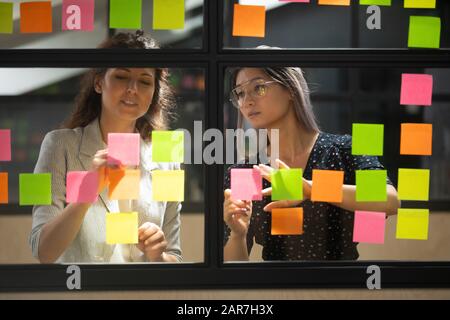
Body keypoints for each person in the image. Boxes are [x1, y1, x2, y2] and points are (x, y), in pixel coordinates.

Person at [29, 31, 182, 263]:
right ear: (99, 82)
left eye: (144, 81)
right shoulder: (59, 145)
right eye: (121, 76)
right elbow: (43, 251)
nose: (133, 88)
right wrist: (86, 191)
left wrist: (158, 254)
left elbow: (176, 257)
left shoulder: (167, 154)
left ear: (154, 93)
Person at [223, 67, 400, 261]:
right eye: (240, 93)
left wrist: (312, 189)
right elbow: (232, 271)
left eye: (259, 88)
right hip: (275, 288)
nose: (247, 101)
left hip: (342, 287)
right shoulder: (246, 172)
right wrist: (238, 235)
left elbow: (390, 201)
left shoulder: (344, 149)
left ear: (290, 88)